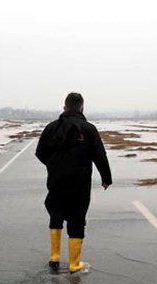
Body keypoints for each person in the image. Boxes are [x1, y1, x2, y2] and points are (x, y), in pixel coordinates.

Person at [35, 92, 112, 274]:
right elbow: (100, 156)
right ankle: (74, 264)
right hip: (80, 184)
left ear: (64, 107)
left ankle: (54, 257)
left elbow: (40, 152)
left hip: (56, 181)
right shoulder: (89, 129)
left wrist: (54, 165)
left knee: (56, 214)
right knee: (77, 219)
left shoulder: (51, 128)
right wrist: (106, 178)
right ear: (82, 108)